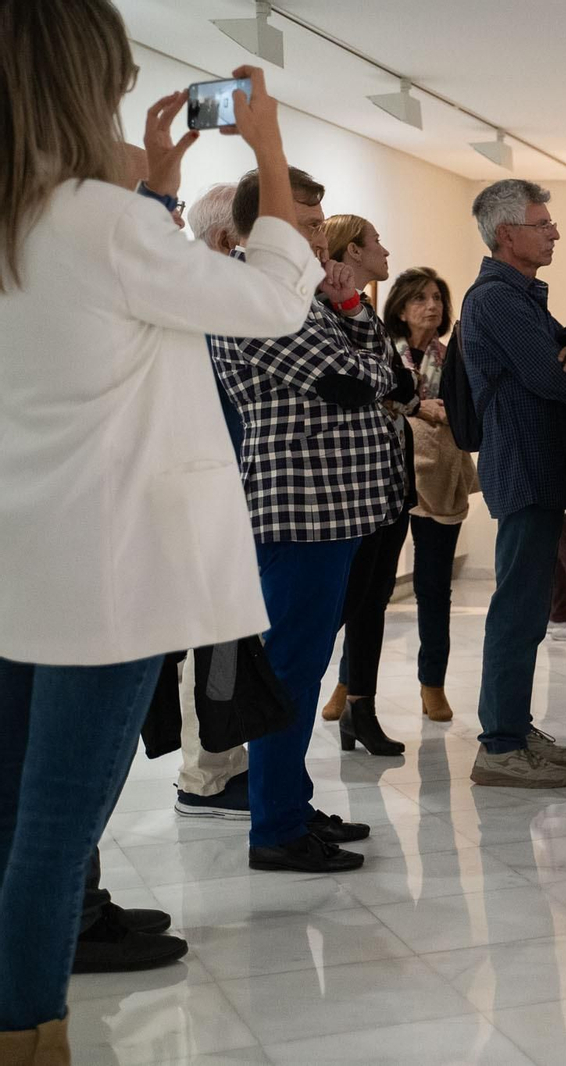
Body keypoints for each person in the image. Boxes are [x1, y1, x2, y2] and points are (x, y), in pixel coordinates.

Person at [0, 0, 318, 1045]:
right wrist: (266, 153)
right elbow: (273, 299)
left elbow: (96, 330)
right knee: (54, 831)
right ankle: (30, 1031)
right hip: (112, 572)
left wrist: (150, 194)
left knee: (13, 818)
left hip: (22, 557)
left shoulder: (41, 215)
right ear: (92, 78)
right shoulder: (102, 221)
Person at [211, 165, 406, 872]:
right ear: (257, 229)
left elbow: (384, 369)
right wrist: (369, 356)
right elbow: (356, 381)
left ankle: (288, 802)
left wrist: (353, 313)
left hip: (337, 505)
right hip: (299, 509)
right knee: (290, 671)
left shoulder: (302, 295)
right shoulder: (254, 297)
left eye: (319, 224)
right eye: (300, 223)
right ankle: (276, 827)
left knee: (305, 664)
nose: (315, 238)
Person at [462, 179, 566, 788]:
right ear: (507, 234)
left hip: (538, 466)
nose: (554, 231)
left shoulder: (520, 296)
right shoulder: (497, 298)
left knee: (527, 610)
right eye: (542, 223)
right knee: (518, 609)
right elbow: (556, 382)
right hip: (523, 467)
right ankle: (499, 743)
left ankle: (515, 729)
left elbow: (561, 364)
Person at [314, 213, 416, 758]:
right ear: (351, 252)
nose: (384, 249)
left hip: (387, 480)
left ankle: (361, 708)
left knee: (372, 602)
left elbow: (393, 384)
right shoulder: (325, 310)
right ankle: (334, 706)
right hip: (347, 488)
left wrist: (397, 389)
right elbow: (379, 382)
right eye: (375, 241)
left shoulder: (360, 310)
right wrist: (393, 386)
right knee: (341, 605)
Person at [170, 182, 252, 819]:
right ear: (229, 240)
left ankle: (227, 765)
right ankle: (206, 777)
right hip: (206, 498)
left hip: (232, 492)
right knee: (212, 647)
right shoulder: (200, 307)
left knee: (230, 643)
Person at [381, 266, 476, 723]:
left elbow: (465, 409)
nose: (432, 306)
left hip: (442, 476)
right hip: (391, 476)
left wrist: (435, 412)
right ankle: (348, 683)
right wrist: (423, 410)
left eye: (437, 297)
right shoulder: (383, 352)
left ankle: (432, 684)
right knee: (370, 587)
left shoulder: (454, 354)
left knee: (434, 587)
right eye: (420, 298)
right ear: (400, 308)